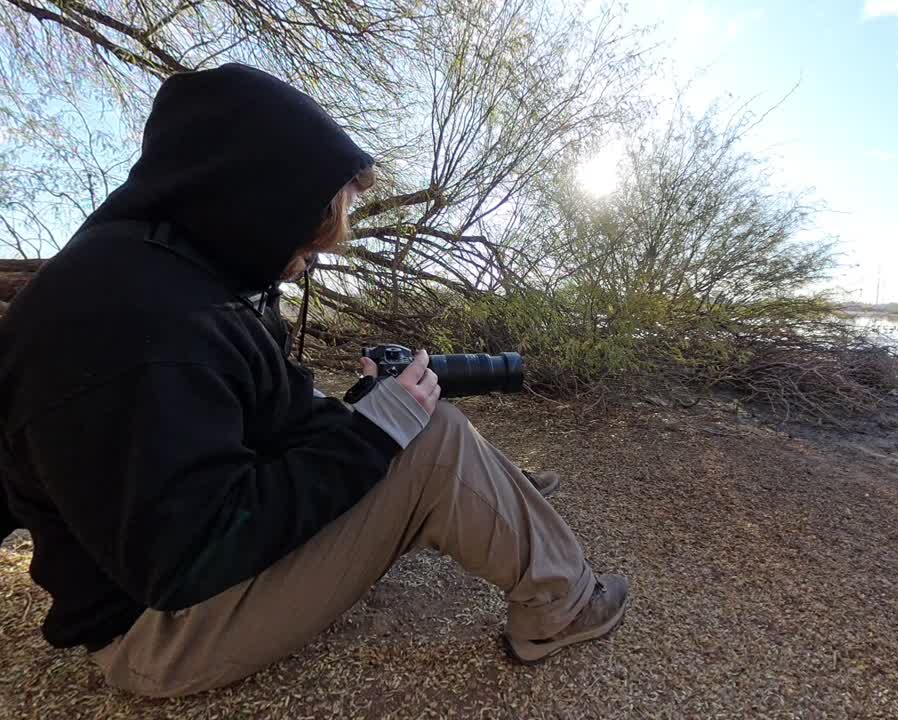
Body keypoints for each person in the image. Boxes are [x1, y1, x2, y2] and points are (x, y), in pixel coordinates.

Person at [0, 64, 627, 698]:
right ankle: (565, 603)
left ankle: (500, 494)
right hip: (159, 632)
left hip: (169, 591)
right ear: (254, 199)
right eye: (308, 238)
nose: (308, 262)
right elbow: (187, 557)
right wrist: (372, 439)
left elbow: (258, 421)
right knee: (432, 444)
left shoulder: (178, 277)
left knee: (402, 425)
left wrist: (358, 415)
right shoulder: (136, 325)